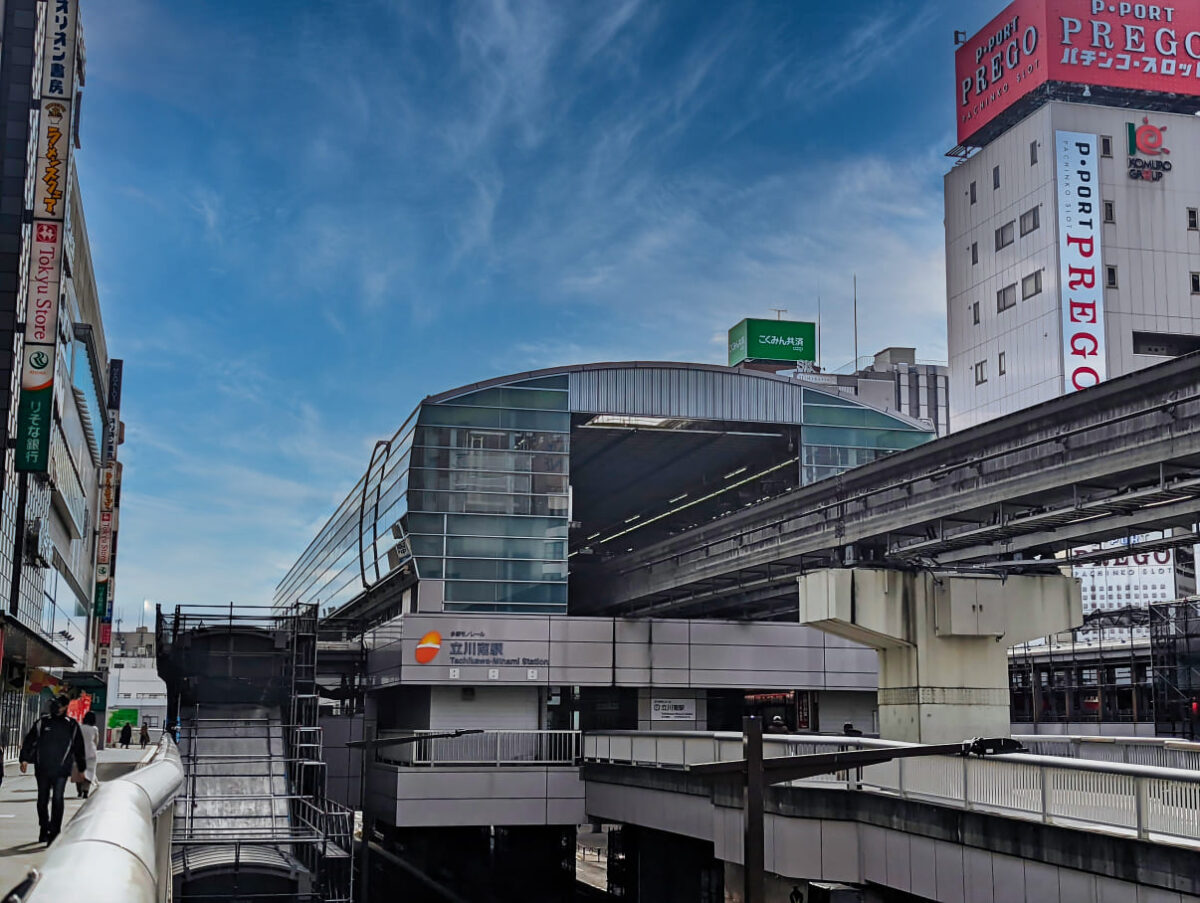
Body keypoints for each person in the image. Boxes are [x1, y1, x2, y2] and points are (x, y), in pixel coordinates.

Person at [18, 694, 85, 844]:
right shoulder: (42, 723)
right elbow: (29, 740)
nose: (57, 708)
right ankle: (44, 827)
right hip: (42, 769)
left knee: (57, 799)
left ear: (66, 707)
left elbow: (79, 748)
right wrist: (23, 759)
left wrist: (81, 768)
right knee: (42, 800)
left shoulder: (72, 725)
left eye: (60, 705)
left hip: (61, 770)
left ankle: (54, 833)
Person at [76, 711, 99, 799]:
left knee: (79, 772)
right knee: (90, 772)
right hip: (91, 753)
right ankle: (86, 791)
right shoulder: (94, 729)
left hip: (80, 752)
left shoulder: (80, 727)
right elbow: (96, 741)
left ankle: (79, 791)